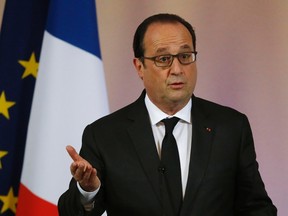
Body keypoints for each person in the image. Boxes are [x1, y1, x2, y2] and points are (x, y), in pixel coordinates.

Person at [58, 13, 277, 216]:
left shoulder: (231, 127)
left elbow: (256, 208)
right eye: (163, 59)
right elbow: (70, 212)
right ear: (139, 66)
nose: (177, 69)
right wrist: (88, 191)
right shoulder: (104, 134)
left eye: (185, 56)